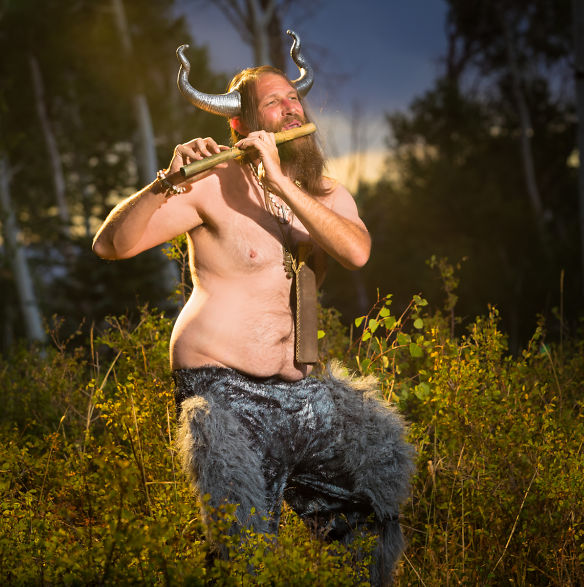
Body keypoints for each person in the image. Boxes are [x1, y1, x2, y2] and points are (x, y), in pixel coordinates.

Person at [92, 31, 414, 586]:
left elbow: (356, 252)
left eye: (295, 99)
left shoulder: (327, 196)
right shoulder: (212, 184)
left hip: (304, 393)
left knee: (368, 531)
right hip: (224, 391)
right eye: (274, 103)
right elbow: (110, 245)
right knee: (242, 554)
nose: (291, 110)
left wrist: (284, 184)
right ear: (242, 125)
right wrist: (164, 183)